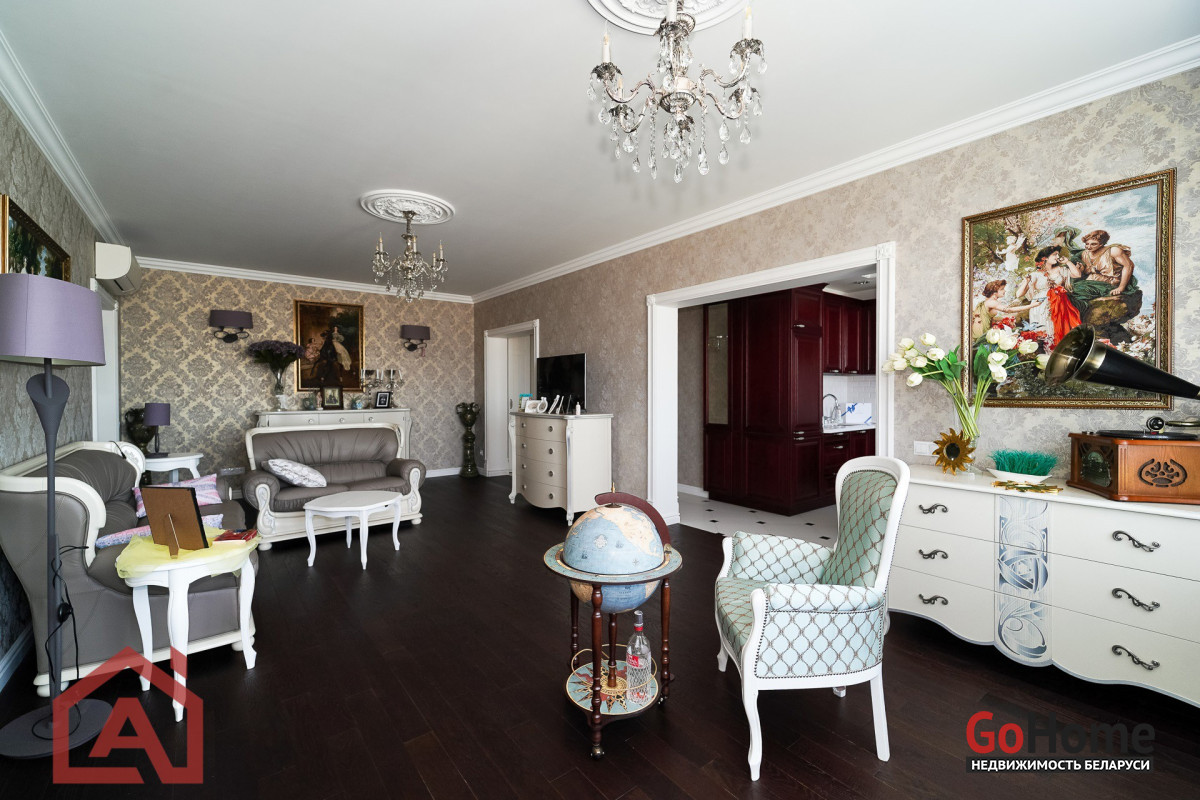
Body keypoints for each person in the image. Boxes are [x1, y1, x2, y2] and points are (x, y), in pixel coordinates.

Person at [1020, 246, 1082, 345]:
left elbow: (1077, 275)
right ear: (1045, 258)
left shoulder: (1060, 269)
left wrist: (1067, 262)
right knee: (1045, 332)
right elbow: (1021, 293)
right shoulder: (1035, 274)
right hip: (1041, 305)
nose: (1057, 257)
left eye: (1058, 254)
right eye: (1054, 254)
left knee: (1060, 329)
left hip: (1060, 304)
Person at [971, 279, 1036, 340]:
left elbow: (992, 316)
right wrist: (1031, 305)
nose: (1004, 291)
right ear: (994, 292)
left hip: (984, 328)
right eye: (1002, 289)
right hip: (981, 331)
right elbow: (1009, 310)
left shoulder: (989, 301)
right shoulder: (992, 302)